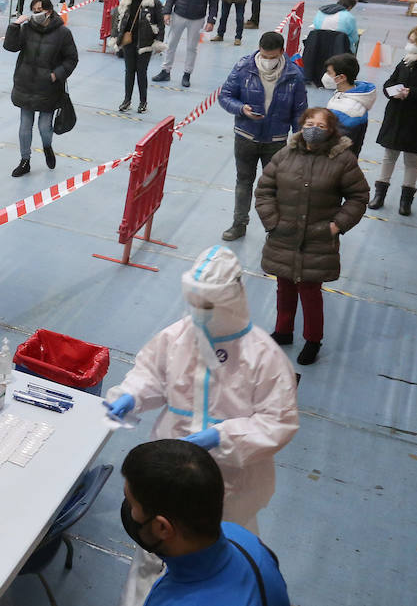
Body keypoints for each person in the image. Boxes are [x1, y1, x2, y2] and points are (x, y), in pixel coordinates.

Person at [105, 246, 298, 604]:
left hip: (232, 484)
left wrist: (223, 437)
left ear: (230, 303)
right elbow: (151, 372)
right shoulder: (179, 336)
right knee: (153, 553)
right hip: (169, 476)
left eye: (207, 306)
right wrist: (131, 394)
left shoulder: (262, 355)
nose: (198, 313)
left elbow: (279, 422)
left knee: (224, 554)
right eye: (194, 303)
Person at [257, 108, 369, 365]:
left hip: (318, 238)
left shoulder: (343, 160)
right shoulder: (285, 154)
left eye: (321, 125)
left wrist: (336, 226)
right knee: (284, 285)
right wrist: (272, 222)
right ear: (301, 125)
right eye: (309, 123)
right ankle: (283, 331)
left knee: (310, 291)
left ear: (331, 131)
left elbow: (358, 197)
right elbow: (264, 190)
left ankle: (312, 339)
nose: (313, 129)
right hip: (283, 234)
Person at [118, 440, 290, 606]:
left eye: (132, 504)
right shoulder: (242, 539)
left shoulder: (177, 599)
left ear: (162, 527)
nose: (128, 509)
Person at [217, 32, 308, 241]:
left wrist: (299, 140)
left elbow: (299, 111)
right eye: (264, 56)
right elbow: (225, 96)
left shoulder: (294, 75)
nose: (267, 61)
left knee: (274, 187)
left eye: (272, 57)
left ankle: (274, 229)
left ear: (282, 53)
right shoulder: (243, 67)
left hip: (276, 142)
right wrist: (241, 109)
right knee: (244, 182)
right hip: (245, 137)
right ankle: (239, 224)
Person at [4, 0, 77, 177]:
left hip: (48, 88)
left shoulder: (63, 33)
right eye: (34, 10)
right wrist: (15, 25)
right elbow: (10, 47)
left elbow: (71, 59)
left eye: (39, 10)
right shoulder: (27, 29)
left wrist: (56, 74)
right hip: (26, 85)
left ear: (49, 11)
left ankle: (47, 146)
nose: (35, 14)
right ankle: (25, 160)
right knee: (24, 126)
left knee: (45, 127)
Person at [370, 24, 417, 216]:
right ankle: (379, 195)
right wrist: (392, 92)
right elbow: (389, 82)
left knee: (411, 159)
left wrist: (412, 93)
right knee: (388, 155)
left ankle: (406, 200)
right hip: (396, 115)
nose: (409, 44)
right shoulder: (406, 61)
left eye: (413, 41)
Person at [153, 0, 219, 88]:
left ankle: (187, 74)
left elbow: (214, 0)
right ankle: (165, 71)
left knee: (191, 48)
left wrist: (211, 20)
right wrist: (167, 12)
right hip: (179, 14)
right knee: (171, 44)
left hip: (197, 18)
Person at [115, 0, 166, 114]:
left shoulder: (154, 2)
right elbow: (119, 19)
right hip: (129, 41)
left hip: (146, 43)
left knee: (141, 72)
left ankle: (143, 102)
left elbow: (160, 24)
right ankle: (127, 100)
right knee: (129, 71)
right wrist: (116, 37)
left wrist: (159, 42)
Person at [322, 53, 376, 156]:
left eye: (329, 73)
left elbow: (338, 144)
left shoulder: (351, 110)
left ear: (342, 77)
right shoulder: (344, 94)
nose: (326, 76)